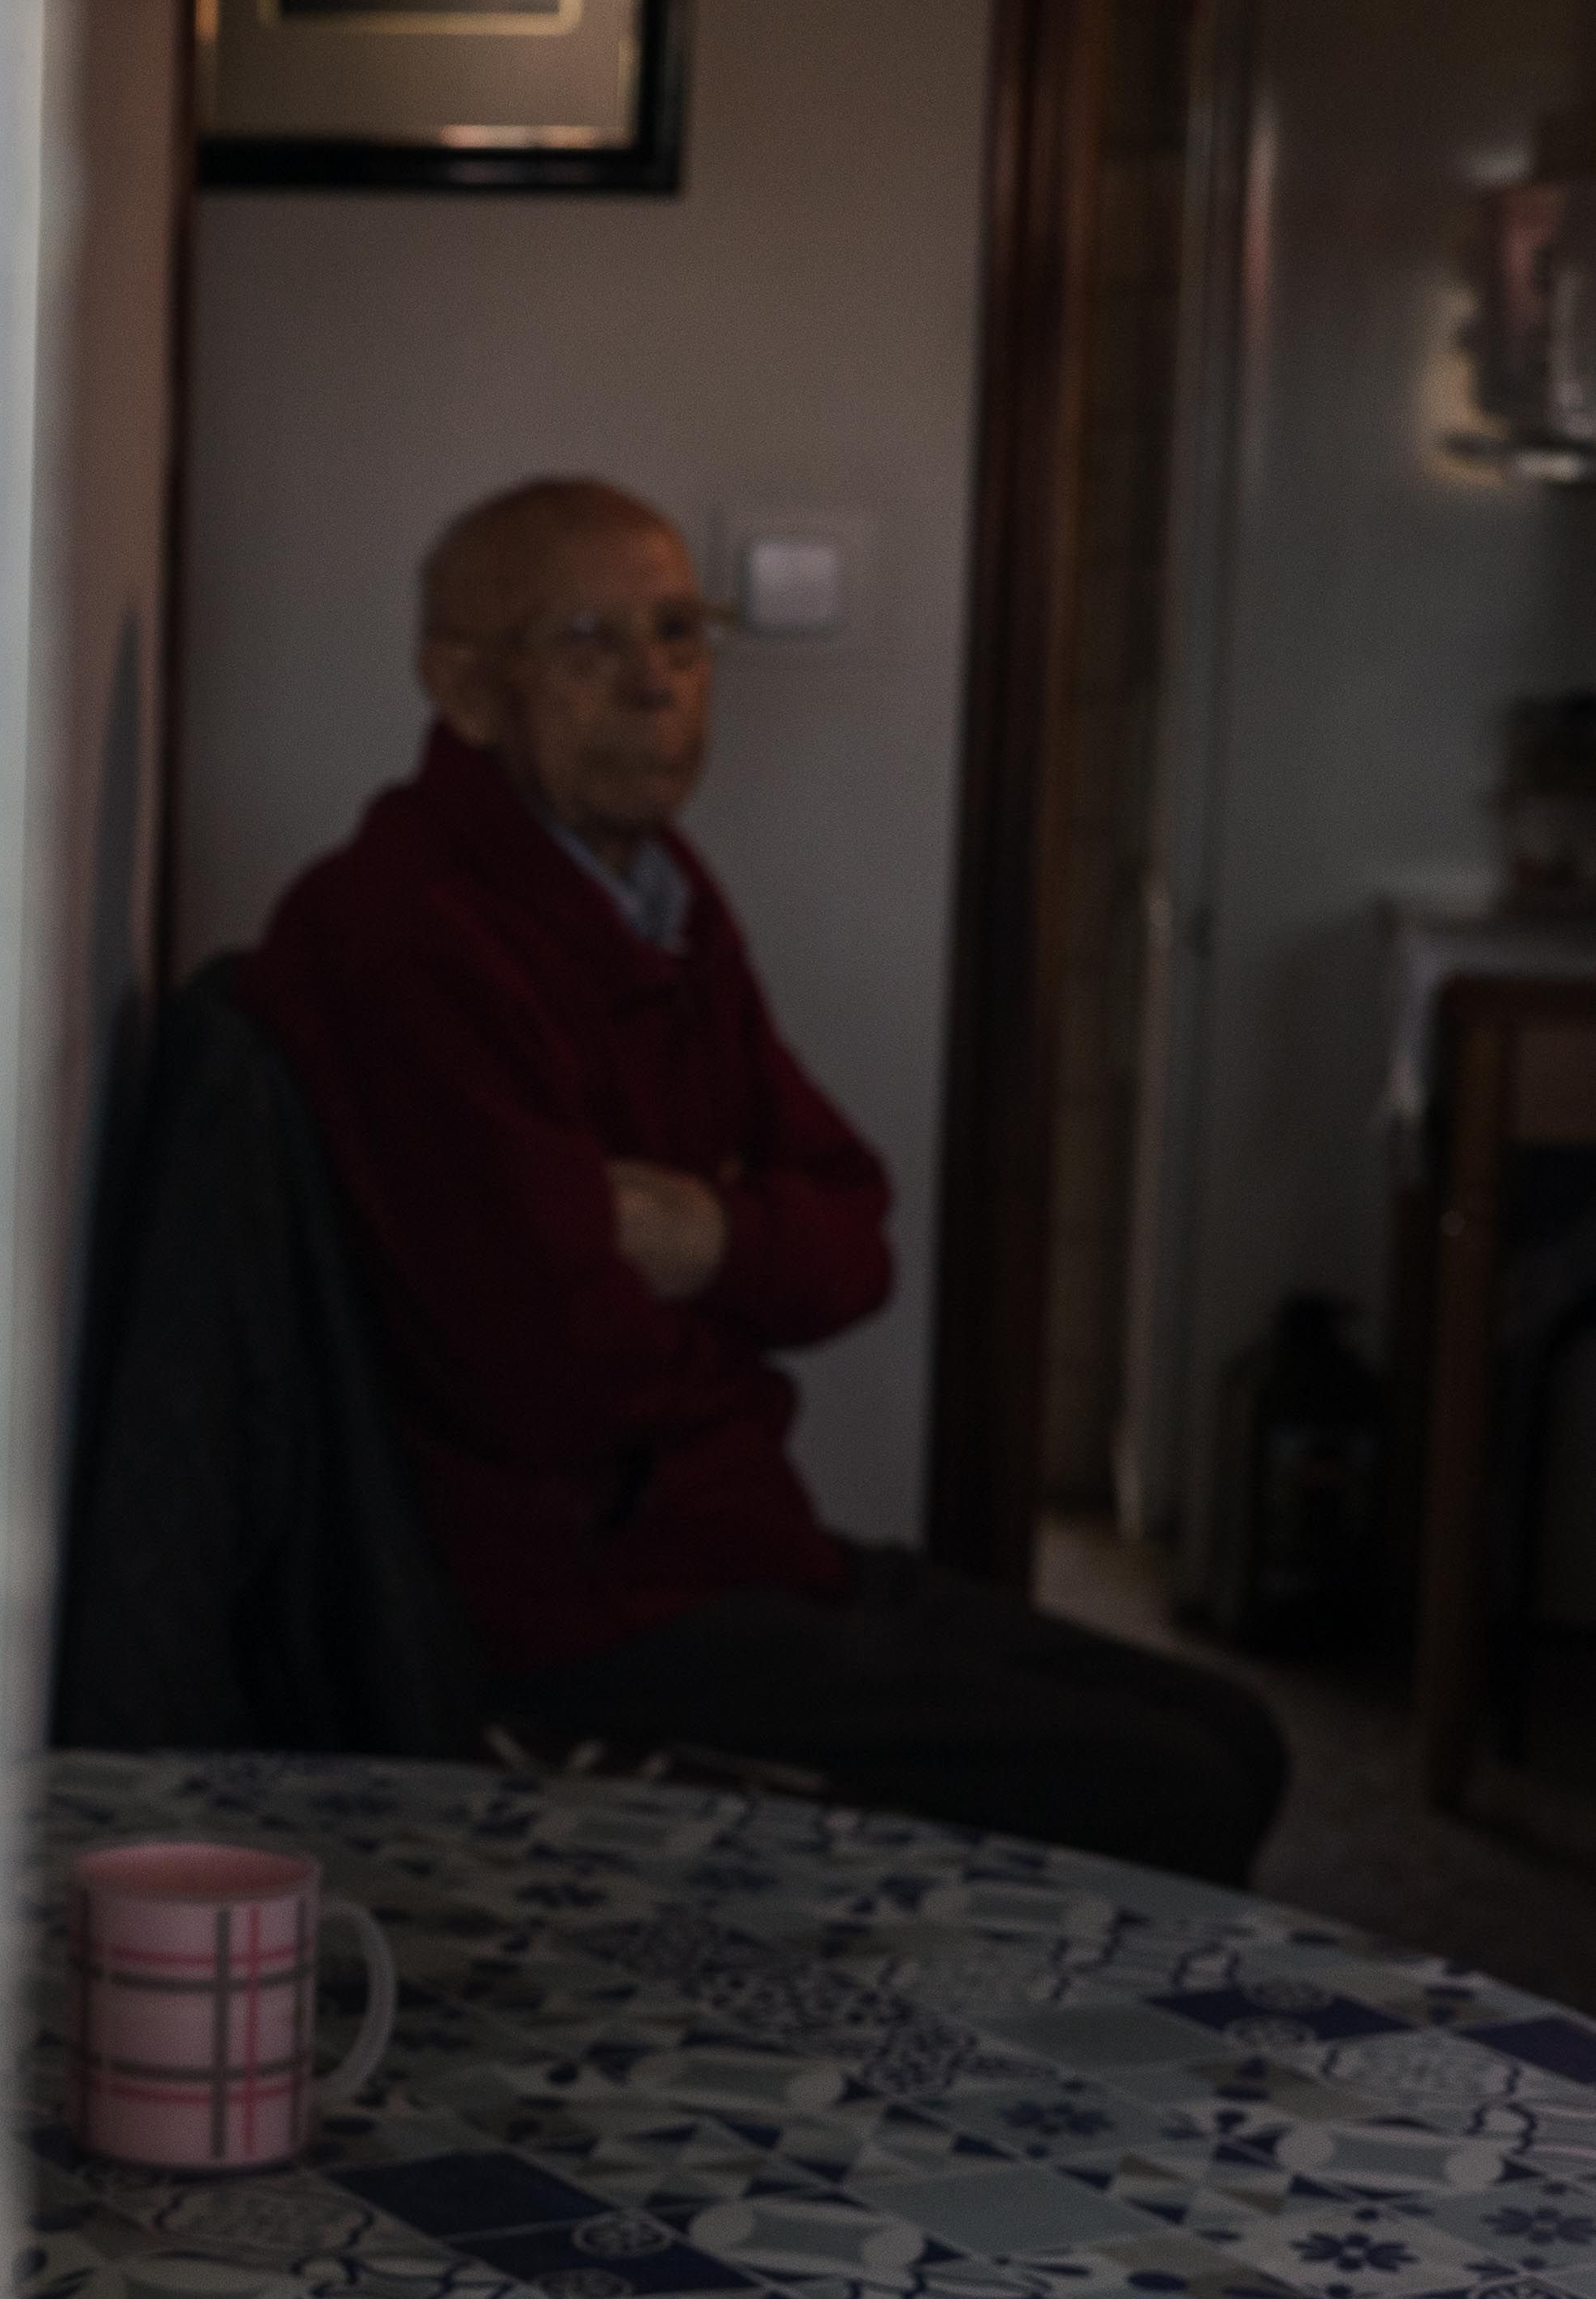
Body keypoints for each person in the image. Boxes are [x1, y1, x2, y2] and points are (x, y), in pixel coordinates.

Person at [238, 476, 1286, 1883]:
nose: (655, 683)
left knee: (1239, 1734)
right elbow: (555, 1374)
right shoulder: (402, 934)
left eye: (681, 633)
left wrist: (715, 1238)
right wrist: (743, 1294)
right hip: (585, 1606)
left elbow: (858, 1234)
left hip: (728, 1542)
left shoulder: (658, 893)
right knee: (1176, 1788)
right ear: (464, 687)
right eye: (588, 640)